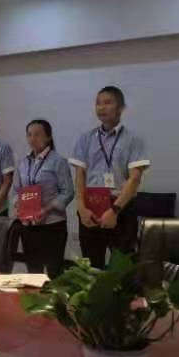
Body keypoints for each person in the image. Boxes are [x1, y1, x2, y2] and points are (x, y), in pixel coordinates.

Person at [69, 86, 150, 269]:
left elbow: (134, 179)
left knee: (122, 268)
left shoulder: (133, 140)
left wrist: (114, 210)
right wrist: (81, 208)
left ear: (120, 107)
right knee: (90, 266)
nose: (101, 107)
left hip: (121, 207)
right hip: (90, 206)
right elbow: (80, 175)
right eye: (98, 103)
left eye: (107, 103)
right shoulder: (86, 139)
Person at [12, 120, 74, 278]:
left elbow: (68, 192)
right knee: (33, 273)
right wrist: (19, 208)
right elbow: (16, 190)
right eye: (29, 135)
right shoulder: (23, 162)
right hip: (28, 225)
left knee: (54, 272)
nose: (32, 139)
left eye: (37, 134)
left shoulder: (58, 161)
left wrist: (46, 210)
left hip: (52, 224)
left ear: (48, 137)